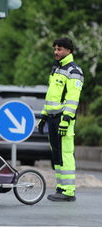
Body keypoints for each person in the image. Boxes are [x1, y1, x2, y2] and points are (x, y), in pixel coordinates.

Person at [38, 37, 84, 202]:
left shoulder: (74, 71)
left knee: (65, 153)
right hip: (52, 118)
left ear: (68, 51)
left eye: (59, 49)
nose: (55, 52)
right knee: (56, 154)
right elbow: (52, 96)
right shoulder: (56, 69)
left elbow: (73, 99)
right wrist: (43, 115)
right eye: (55, 49)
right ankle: (61, 187)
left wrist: (66, 120)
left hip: (63, 119)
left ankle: (68, 191)